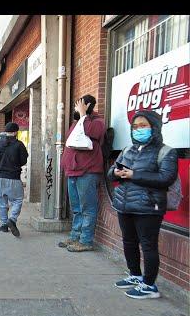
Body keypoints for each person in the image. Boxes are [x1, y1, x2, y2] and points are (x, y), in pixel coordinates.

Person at [109, 110, 178, 299]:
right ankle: (135, 275)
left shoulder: (166, 152)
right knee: (129, 242)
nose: (138, 130)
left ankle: (149, 285)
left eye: (143, 126)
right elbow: (110, 173)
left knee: (148, 245)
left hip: (149, 206)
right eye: (135, 126)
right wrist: (115, 173)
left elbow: (166, 178)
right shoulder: (127, 150)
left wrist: (134, 175)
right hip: (125, 204)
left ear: (154, 127)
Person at [59, 95, 106, 252]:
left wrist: (83, 115)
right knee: (76, 208)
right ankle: (74, 236)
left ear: (87, 106)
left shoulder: (97, 121)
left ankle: (85, 241)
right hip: (73, 171)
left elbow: (93, 132)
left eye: (79, 105)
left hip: (88, 171)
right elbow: (70, 140)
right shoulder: (78, 121)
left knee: (88, 208)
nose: (76, 108)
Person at [0, 122, 28, 237]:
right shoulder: (19, 145)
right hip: (13, 177)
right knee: (17, 199)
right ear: (16, 132)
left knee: (2, 202)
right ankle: (12, 219)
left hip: (0, 178)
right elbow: (24, 161)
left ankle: (3, 225)